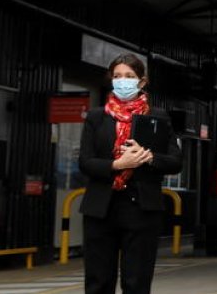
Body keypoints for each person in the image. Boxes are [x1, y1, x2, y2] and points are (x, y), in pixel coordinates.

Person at [78, 53, 182, 294]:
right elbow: (85, 162)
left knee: (137, 281)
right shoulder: (96, 117)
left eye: (129, 76)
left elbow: (175, 161)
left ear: (142, 82)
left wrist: (149, 157)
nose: (122, 81)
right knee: (98, 280)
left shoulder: (157, 117)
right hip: (100, 208)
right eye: (117, 76)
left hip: (142, 208)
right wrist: (117, 164)